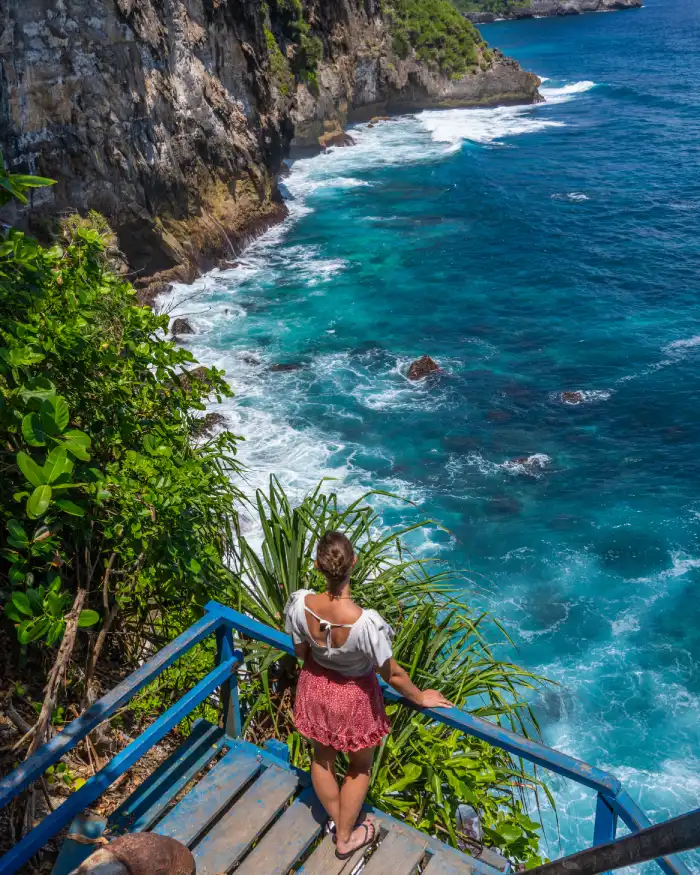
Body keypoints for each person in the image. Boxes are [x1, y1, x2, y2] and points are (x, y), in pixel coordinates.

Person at [284, 531, 452, 860]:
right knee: (359, 767)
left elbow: (302, 652)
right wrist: (420, 697)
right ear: (354, 564)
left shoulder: (301, 604)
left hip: (315, 687)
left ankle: (337, 821)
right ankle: (346, 836)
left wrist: (322, 666)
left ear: (318, 566)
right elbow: (392, 674)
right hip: (352, 698)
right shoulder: (365, 624)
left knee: (322, 758)